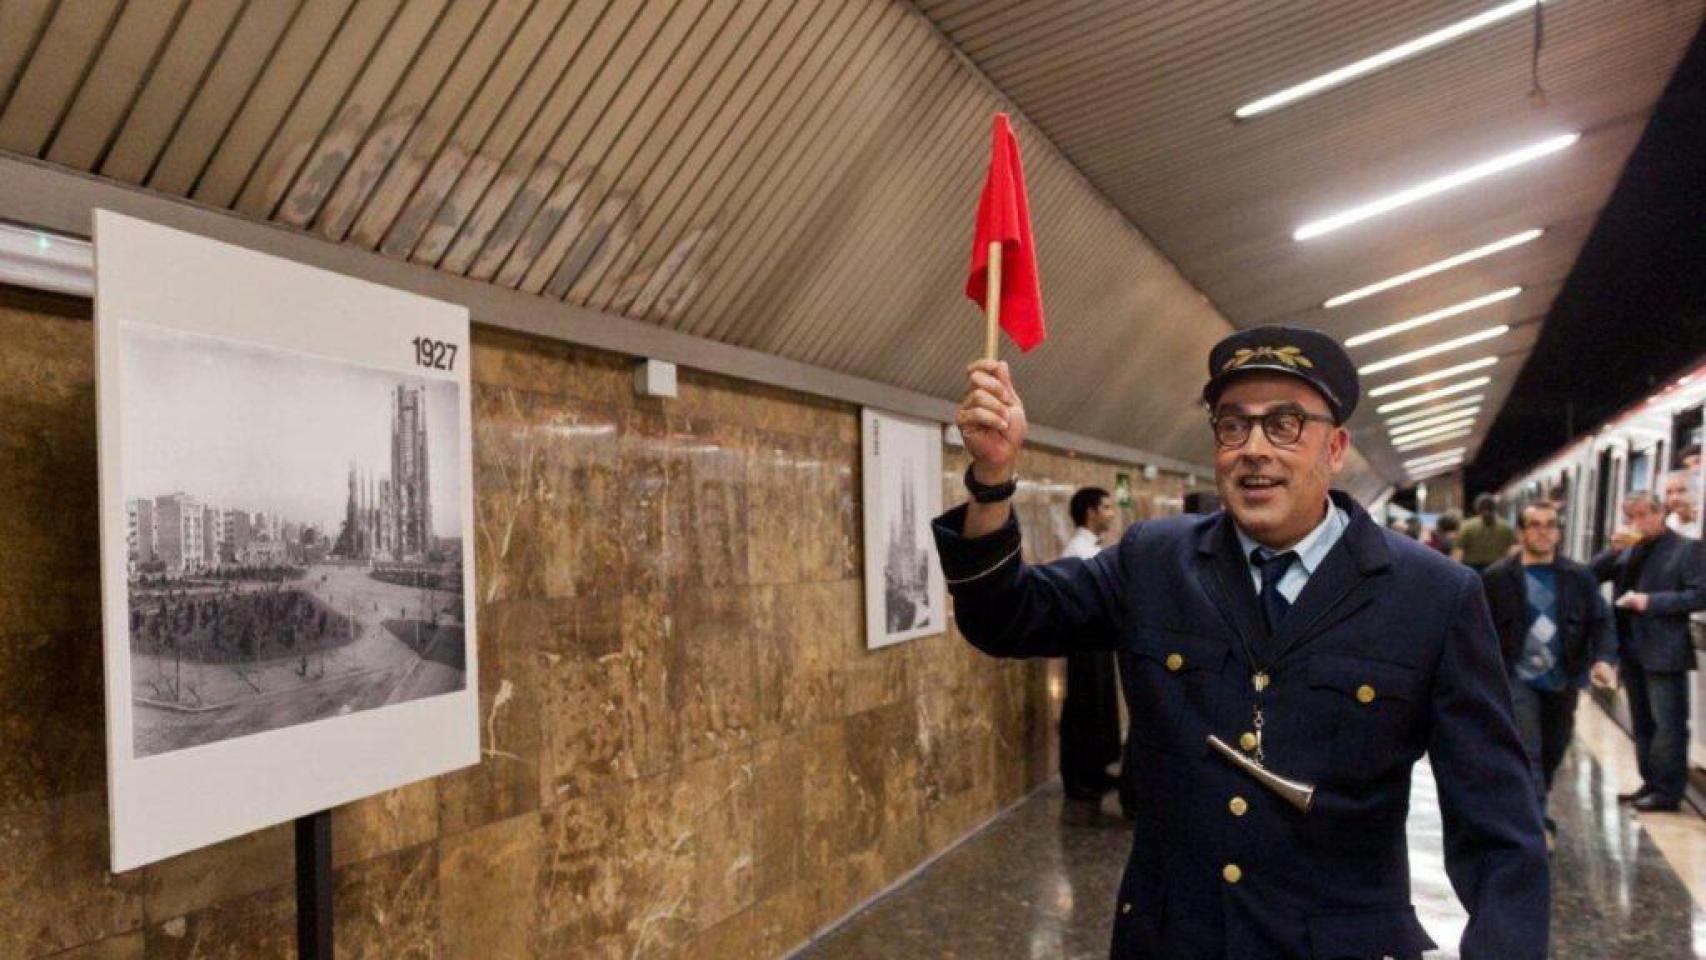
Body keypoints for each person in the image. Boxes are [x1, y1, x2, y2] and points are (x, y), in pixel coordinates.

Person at [936, 325, 1547, 959]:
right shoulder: (1155, 560)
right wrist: (992, 478)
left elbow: (1498, 826)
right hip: (1171, 941)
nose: (1255, 448)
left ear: (1335, 448)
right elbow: (1003, 616)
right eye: (1233, 426)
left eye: (1285, 424)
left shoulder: (1432, 596)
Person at [1481, 502, 1617, 845]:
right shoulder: (1498, 577)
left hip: (1563, 678)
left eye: (1550, 524)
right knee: (1529, 751)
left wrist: (1603, 659)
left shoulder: (1578, 576)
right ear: (1522, 531)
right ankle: (1536, 824)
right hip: (1517, 677)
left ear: (1558, 531)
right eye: (1534, 524)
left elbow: (1601, 621)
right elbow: (1481, 629)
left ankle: (1531, 809)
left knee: (1555, 746)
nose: (1543, 531)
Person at [1591, 491, 1706, 812]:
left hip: (1665, 651)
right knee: (1642, 723)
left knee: (1668, 724)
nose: (1640, 522)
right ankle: (1650, 782)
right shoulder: (1628, 550)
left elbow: (1699, 594)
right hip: (1630, 649)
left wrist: (1651, 602)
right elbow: (1587, 576)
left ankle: (1668, 792)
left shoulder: (1686, 549)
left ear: (1660, 513)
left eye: (1646, 514)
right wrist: (1610, 551)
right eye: (1633, 516)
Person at [1059, 486, 1124, 821]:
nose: (1111, 514)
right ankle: (1082, 778)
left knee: (1098, 707)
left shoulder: (1092, 549)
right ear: (1091, 512)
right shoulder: (1078, 552)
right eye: (1107, 508)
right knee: (1085, 707)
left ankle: (1095, 771)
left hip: (1096, 638)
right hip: (1083, 641)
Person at [1453, 493, 1515, 571]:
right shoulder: (1506, 526)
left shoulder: (1467, 526)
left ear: (1477, 508)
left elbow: (1459, 552)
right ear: (1494, 507)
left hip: (1473, 568)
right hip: (1498, 569)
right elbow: (1512, 550)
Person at [1662, 469, 1701, 538]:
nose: (1674, 498)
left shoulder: (1701, 524)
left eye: (1681, 490)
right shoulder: (1668, 523)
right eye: (1669, 492)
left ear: (1696, 493)